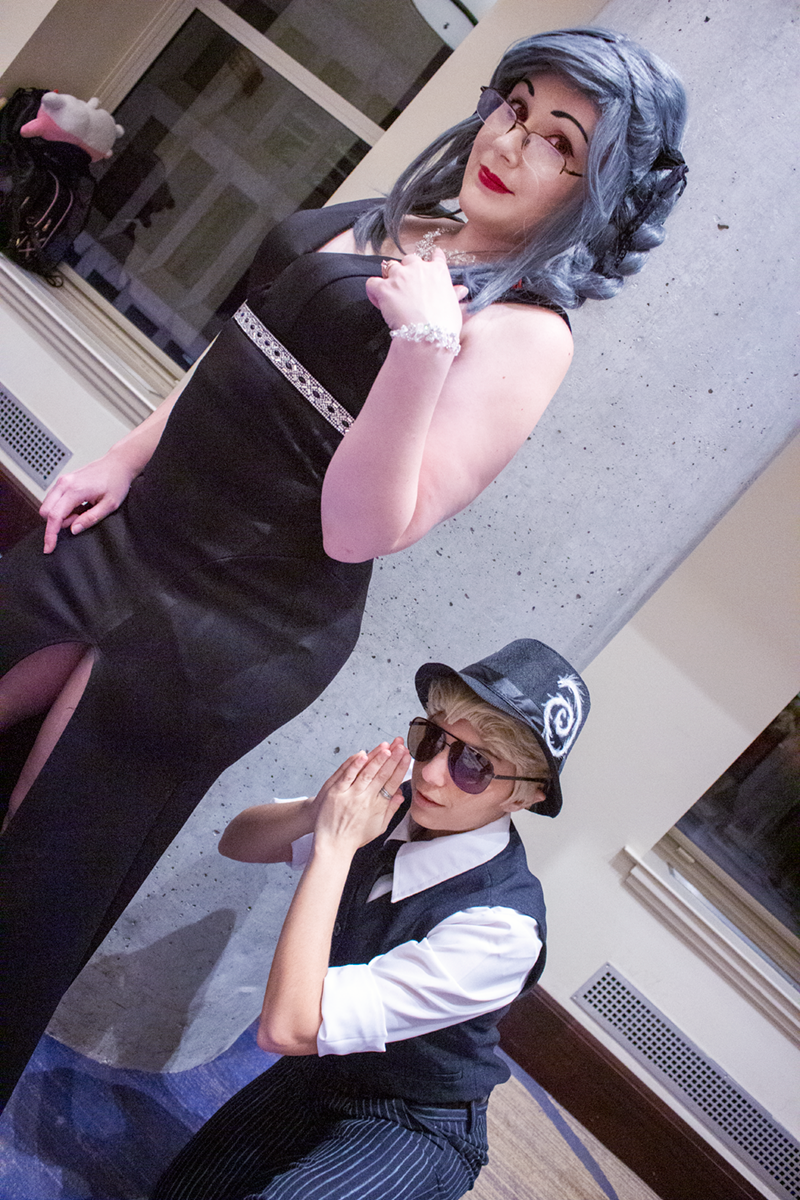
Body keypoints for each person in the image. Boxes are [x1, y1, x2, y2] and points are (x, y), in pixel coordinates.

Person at [0, 26, 687, 1102]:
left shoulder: (528, 333)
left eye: (561, 142)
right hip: (140, 534)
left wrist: (424, 348)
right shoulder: (417, 217)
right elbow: (246, 347)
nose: (512, 143)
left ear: (597, 191)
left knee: (35, 869)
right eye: (516, 108)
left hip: (236, 622)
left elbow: (362, 530)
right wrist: (125, 457)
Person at [151, 638, 590, 1200]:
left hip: (415, 1120)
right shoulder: (396, 808)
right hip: (323, 1071)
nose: (431, 774)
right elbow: (238, 842)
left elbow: (285, 1027)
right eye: (432, 739)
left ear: (524, 796)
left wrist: (335, 849)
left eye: (474, 765)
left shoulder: (501, 930)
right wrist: (317, 812)